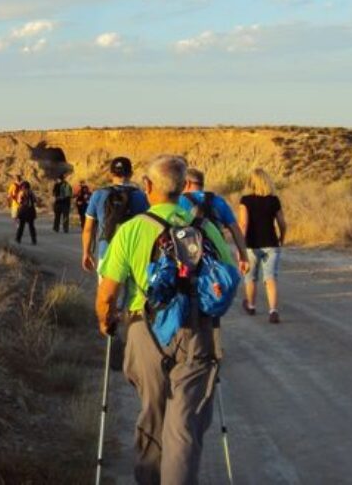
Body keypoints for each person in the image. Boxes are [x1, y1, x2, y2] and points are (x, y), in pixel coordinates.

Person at [95, 155, 236, 484]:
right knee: (184, 427)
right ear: (183, 187)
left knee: (153, 415)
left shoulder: (131, 230)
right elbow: (227, 274)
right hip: (198, 331)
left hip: (145, 330)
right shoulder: (204, 228)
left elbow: (107, 293)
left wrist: (107, 322)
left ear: (148, 188)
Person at [82, 157, 150, 273]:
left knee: (106, 291)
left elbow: (88, 229)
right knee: (131, 291)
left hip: (107, 254)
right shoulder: (141, 196)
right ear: (131, 174)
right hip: (133, 256)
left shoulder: (98, 195)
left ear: (111, 173)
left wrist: (86, 253)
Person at [178, 168, 250, 275]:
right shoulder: (218, 201)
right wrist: (243, 256)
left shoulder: (179, 201)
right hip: (217, 256)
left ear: (186, 183)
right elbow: (235, 229)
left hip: (190, 259)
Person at [238, 168, 287, 324]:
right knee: (270, 278)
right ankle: (273, 310)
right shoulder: (274, 200)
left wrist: (241, 248)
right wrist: (282, 238)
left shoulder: (245, 200)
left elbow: (243, 224)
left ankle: (251, 305)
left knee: (250, 277)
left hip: (252, 245)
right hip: (271, 243)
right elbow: (282, 223)